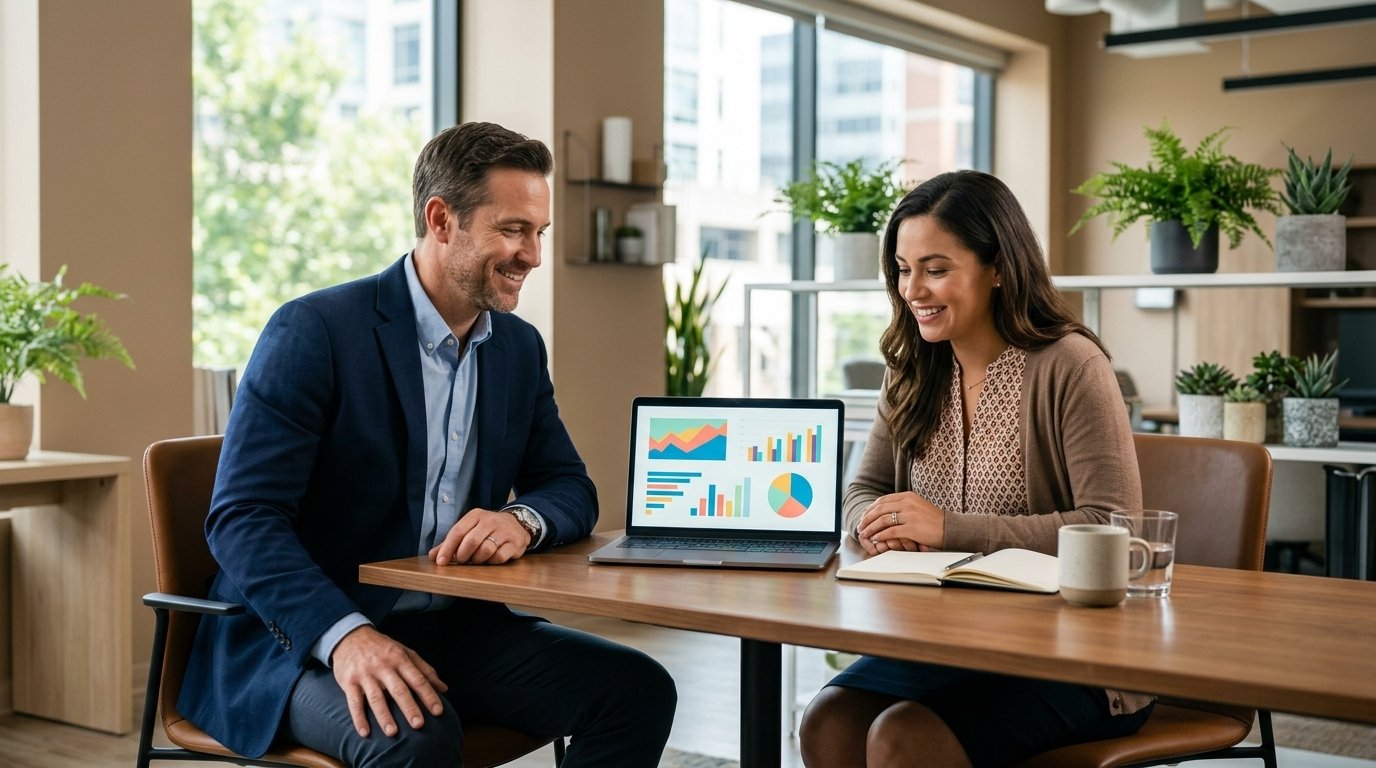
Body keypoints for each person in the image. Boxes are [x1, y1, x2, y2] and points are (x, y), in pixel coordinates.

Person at [179, 121, 677, 767]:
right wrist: (346, 638)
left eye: (539, 232)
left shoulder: (517, 349)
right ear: (442, 220)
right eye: (513, 229)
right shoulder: (315, 331)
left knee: (636, 690)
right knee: (417, 738)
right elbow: (243, 518)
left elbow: (569, 487)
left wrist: (522, 520)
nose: (532, 255)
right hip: (303, 643)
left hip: (454, 629)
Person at [798, 170, 1151, 767]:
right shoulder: (912, 367)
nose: (913, 290)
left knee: (904, 737)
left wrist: (947, 528)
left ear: (999, 269)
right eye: (903, 270)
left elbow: (1114, 526)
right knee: (829, 721)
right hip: (941, 639)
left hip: (1076, 652)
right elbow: (863, 488)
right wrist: (877, 522)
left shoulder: (1071, 365)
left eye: (935, 269)